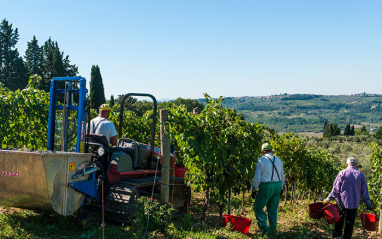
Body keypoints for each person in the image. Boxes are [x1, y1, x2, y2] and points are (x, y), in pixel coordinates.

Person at [323, 157, 373, 239]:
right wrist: (368, 203)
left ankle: (337, 236)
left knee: (339, 220)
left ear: (346, 164)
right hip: (354, 203)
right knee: (350, 223)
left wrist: (329, 198)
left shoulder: (342, 173)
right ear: (356, 165)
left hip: (341, 202)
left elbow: (336, 189)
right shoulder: (361, 175)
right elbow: (364, 192)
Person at [252, 143, 285, 233]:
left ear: (262, 151)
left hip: (266, 186)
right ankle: (273, 230)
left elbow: (258, 177)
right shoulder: (278, 159)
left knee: (258, 207)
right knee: (273, 209)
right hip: (277, 185)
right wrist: (282, 187)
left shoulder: (261, 160)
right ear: (271, 150)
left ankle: (264, 229)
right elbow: (282, 175)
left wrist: (254, 188)